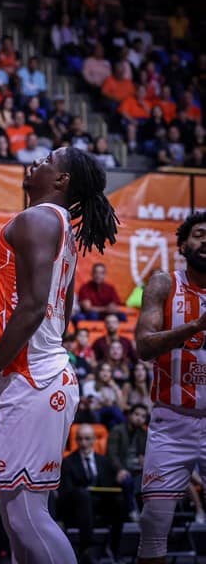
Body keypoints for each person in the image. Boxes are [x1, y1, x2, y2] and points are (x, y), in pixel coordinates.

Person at [0, 146, 118, 564]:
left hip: (33, 378)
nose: (37, 161)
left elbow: (34, 308)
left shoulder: (37, 219)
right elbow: (63, 309)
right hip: (37, 373)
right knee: (15, 514)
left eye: (49, 160)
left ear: (61, 181)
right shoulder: (61, 227)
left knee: (25, 517)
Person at [135, 210, 206, 563]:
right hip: (172, 421)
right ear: (182, 245)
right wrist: (195, 326)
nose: (205, 240)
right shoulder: (164, 284)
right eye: (198, 234)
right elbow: (144, 346)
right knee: (153, 525)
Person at [58, 423, 126, 563]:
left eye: (87, 439)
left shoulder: (104, 461)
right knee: (83, 495)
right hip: (77, 507)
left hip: (100, 505)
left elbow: (109, 486)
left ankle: (115, 546)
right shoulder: (68, 462)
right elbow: (66, 492)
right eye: (80, 439)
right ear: (76, 440)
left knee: (119, 499)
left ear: (94, 440)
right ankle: (86, 548)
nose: (84, 443)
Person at [106, 403, 149, 522]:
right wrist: (120, 469)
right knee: (127, 479)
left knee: (153, 480)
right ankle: (132, 510)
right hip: (120, 470)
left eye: (143, 416)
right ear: (129, 415)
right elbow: (112, 455)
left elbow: (144, 455)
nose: (139, 418)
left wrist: (144, 460)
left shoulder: (143, 433)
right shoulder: (117, 430)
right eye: (136, 414)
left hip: (137, 471)